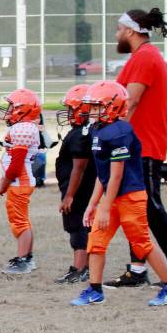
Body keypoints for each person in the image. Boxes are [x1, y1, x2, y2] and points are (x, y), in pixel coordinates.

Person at [70, 81, 167, 307]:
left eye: (96, 107)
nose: (91, 111)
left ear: (112, 107)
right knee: (96, 240)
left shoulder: (118, 132)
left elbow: (116, 175)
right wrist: (93, 203)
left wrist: (104, 206)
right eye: (91, 106)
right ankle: (95, 290)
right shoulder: (98, 130)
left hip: (130, 197)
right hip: (112, 197)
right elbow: (102, 176)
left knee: (142, 243)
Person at [110, 8, 167, 289]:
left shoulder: (146, 57)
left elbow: (130, 101)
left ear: (130, 31)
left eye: (119, 29)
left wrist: (112, 133)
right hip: (138, 143)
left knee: (149, 207)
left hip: (144, 144)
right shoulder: (142, 56)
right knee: (137, 210)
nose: (117, 35)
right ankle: (137, 270)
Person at [0, 88, 42, 275]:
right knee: (23, 221)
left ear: (22, 109)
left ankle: (24, 259)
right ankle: (27, 257)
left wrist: (4, 183)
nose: (7, 110)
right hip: (21, 181)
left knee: (20, 222)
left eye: (11, 107)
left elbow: (16, 163)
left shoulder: (22, 128)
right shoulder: (25, 127)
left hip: (19, 181)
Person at [54, 85, 96, 284]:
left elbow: (79, 167)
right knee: (83, 226)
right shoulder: (88, 131)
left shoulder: (80, 134)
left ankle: (80, 268)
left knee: (77, 226)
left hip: (78, 190)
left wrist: (69, 194)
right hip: (85, 188)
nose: (69, 113)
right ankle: (84, 267)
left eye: (72, 109)